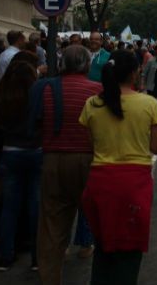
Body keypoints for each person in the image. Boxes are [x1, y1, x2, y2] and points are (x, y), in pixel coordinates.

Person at [79, 50, 157, 285]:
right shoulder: (148, 104)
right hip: (133, 185)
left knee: (103, 247)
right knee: (129, 252)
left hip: (100, 181)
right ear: (134, 73)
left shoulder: (92, 104)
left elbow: (90, 144)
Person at [36, 45, 103, 284]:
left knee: (52, 227)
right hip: (89, 160)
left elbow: (34, 122)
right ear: (87, 65)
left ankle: (50, 278)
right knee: (100, 222)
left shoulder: (44, 87)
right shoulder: (97, 91)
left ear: (62, 63)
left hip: (53, 159)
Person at [0, 58, 41, 271]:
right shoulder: (37, 95)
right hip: (35, 151)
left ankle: (6, 255)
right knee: (35, 206)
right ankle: (36, 257)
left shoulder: (5, 96)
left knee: (9, 207)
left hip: (10, 152)